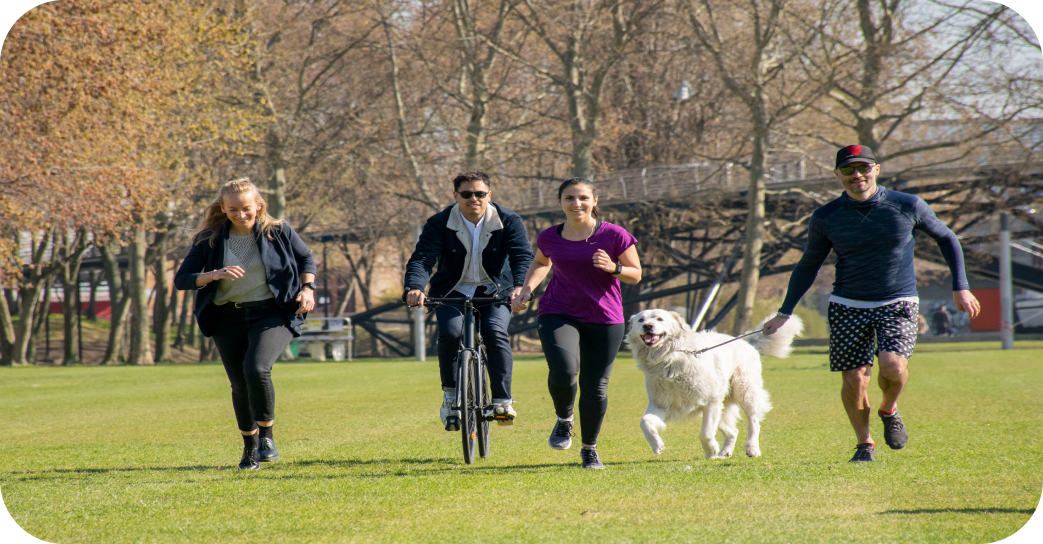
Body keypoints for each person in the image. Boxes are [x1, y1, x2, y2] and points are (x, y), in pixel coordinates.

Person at [763, 145, 980, 463]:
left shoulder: (907, 205)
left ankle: (889, 409)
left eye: (863, 167)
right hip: (847, 303)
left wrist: (961, 287)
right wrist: (785, 311)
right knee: (853, 378)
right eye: (848, 170)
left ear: (877, 169)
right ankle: (864, 444)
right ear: (837, 175)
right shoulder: (826, 217)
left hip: (897, 300)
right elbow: (808, 264)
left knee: (893, 366)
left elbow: (947, 238)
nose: (857, 175)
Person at [175, 178, 316, 470]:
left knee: (256, 368)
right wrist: (214, 274)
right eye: (233, 209)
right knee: (239, 384)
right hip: (227, 317)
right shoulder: (209, 239)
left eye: (247, 208)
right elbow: (183, 279)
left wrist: (307, 289)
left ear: (259, 206)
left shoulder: (278, 232)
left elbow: (306, 259)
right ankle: (249, 450)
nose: (241, 214)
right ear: (223, 209)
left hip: (271, 314)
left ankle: (267, 437)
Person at [513, 178, 642, 469]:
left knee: (595, 386)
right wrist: (527, 288)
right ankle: (564, 419)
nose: (577, 204)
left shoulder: (615, 235)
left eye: (583, 198)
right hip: (558, 311)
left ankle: (589, 448)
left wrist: (614, 268)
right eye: (569, 198)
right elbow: (541, 263)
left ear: (594, 200)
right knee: (563, 370)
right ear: (560, 202)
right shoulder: (549, 236)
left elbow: (636, 274)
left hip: (605, 317)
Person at [404, 171, 534, 429]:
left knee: (495, 332)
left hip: (495, 291)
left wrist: (520, 286)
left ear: (489, 195)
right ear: (456, 196)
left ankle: (502, 401)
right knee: (451, 334)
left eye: (480, 193)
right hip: (452, 291)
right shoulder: (439, 222)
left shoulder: (508, 220)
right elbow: (422, 259)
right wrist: (415, 287)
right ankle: (451, 397)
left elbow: (522, 257)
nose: (473, 198)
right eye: (466, 194)